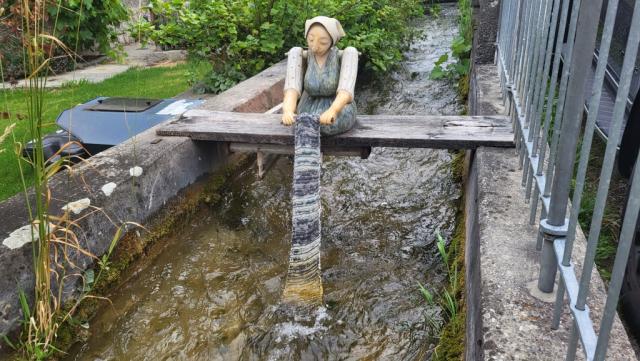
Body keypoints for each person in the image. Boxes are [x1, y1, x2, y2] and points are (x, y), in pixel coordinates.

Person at [281, 16, 359, 135]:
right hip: (307, 107)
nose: (314, 47)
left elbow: (346, 91)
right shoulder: (299, 53)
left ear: (332, 41)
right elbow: (292, 88)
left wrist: (333, 111)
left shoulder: (347, 54)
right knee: (303, 124)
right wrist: (288, 110)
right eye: (311, 40)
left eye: (323, 42)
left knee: (327, 126)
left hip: (337, 108)